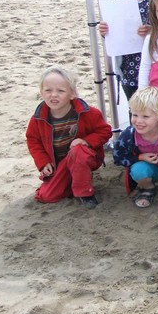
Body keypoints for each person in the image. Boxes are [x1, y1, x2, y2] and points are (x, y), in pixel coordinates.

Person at [26, 65, 112, 209]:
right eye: (48, 90)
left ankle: (85, 193)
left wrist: (86, 141)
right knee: (47, 196)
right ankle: (73, 181)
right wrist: (43, 162)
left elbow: (105, 131)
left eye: (60, 91)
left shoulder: (88, 113)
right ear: (41, 93)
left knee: (77, 150)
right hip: (60, 163)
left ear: (72, 94)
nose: (54, 95)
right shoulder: (37, 119)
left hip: (84, 157)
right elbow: (33, 141)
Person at [97, 0, 151, 101]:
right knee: (134, 108)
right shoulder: (113, 4)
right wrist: (104, 32)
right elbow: (112, 39)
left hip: (152, 69)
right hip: (127, 70)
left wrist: (151, 32)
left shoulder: (154, 3)